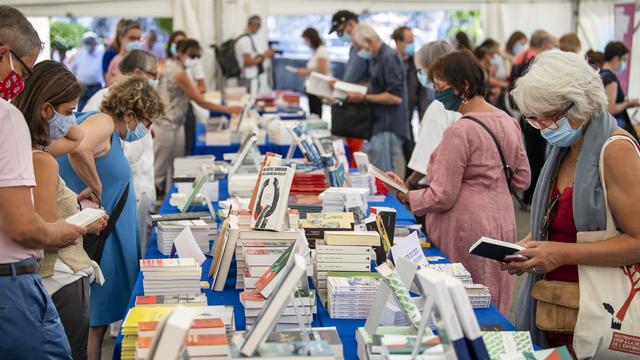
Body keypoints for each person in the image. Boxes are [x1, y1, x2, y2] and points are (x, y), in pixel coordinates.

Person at [508, 50, 640, 356]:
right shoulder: (563, 150)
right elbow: (555, 225)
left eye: (550, 116)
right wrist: (524, 250)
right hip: (555, 310)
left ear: (581, 103)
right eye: (534, 119)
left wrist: (562, 254)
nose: (542, 126)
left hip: (597, 314)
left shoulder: (616, 151)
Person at [386, 50, 531, 314]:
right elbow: (522, 178)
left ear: (462, 86)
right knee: (494, 295)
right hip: (502, 219)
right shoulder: (509, 122)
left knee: (463, 300)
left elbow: (442, 195)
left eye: (440, 86)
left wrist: (408, 195)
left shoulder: (460, 131)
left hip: (465, 226)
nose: (437, 93)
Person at [56, 75, 164, 360]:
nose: (146, 130)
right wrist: (96, 185)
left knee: (97, 322)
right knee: (92, 321)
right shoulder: (103, 121)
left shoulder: (112, 134)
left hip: (106, 237)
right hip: (100, 239)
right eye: (146, 122)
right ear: (130, 113)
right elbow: (78, 148)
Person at [0, 6, 87, 359]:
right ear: (4, 54)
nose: (20, 81)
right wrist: (62, 232)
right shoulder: (7, 119)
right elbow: (24, 227)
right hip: (11, 284)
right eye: (23, 70)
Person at [13, 60, 109, 360]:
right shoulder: (42, 160)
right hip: (60, 278)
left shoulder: (24, 148)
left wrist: (75, 208)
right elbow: (44, 231)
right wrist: (82, 223)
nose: (72, 123)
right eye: (68, 113)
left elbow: (76, 138)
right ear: (46, 110)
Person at [83, 49, 159, 254]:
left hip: (133, 193)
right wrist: (95, 185)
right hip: (113, 199)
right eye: (154, 75)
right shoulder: (103, 113)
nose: (156, 80)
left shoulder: (134, 113)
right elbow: (83, 149)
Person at [154, 39, 241, 194]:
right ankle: (151, 204)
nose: (194, 59)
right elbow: (201, 101)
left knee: (176, 166)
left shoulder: (171, 66)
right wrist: (229, 110)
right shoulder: (178, 73)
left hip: (175, 121)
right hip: (166, 124)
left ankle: (171, 195)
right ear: (180, 53)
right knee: (159, 169)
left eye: (197, 56)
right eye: (191, 55)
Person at [347, 24, 409, 176]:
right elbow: (377, 85)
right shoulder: (377, 58)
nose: (359, 51)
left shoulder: (389, 58)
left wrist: (364, 97)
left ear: (368, 41)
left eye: (358, 46)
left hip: (389, 127)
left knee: (385, 177)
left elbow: (395, 97)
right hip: (379, 124)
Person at [510, 29, 558, 206]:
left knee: (532, 154)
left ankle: (530, 195)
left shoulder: (522, 57)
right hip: (535, 114)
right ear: (545, 44)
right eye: (552, 45)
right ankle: (531, 195)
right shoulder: (534, 62)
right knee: (535, 156)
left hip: (529, 113)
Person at [405, 40, 458, 188]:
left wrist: (408, 185)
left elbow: (426, 159)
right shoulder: (465, 99)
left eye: (421, 70)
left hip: (438, 187)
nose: (420, 75)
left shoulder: (440, 107)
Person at [329, 10, 371, 166]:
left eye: (341, 31)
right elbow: (354, 77)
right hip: (348, 110)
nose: (341, 35)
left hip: (359, 112)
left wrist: (349, 88)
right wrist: (339, 86)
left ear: (351, 24)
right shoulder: (354, 48)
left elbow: (373, 82)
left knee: (356, 159)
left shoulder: (366, 47)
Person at [392, 26, 427, 177]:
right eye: (409, 41)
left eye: (413, 41)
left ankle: (408, 191)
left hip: (407, 119)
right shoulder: (389, 62)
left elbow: (422, 93)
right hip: (390, 119)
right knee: (391, 160)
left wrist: (423, 120)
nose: (412, 44)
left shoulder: (416, 64)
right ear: (398, 42)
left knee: (411, 156)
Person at [600, 41, 639, 140]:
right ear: (616, 58)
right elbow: (611, 109)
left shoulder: (601, 74)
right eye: (624, 60)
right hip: (616, 128)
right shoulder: (610, 79)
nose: (624, 64)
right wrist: (627, 103)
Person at [233, 15, 275, 96]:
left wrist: (264, 55)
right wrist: (264, 56)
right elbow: (249, 62)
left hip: (248, 77)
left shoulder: (246, 39)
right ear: (251, 25)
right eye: (258, 26)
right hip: (248, 77)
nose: (259, 28)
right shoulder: (245, 40)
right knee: (249, 101)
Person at [295, 27, 331, 117]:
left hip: (317, 89)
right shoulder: (317, 51)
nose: (305, 42)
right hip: (313, 88)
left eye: (306, 39)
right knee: (313, 114)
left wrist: (305, 72)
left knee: (316, 115)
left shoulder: (321, 51)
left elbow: (323, 72)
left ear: (311, 38)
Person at [71, 32, 104, 111]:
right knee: (80, 110)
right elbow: (73, 69)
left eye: (91, 42)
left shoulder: (101, 53)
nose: (89, 45)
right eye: (87, 42)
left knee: (97, 109)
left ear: (95, 43)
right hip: (82, 86)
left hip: (96, 86)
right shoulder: (80, 53)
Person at [105, 19, 142, 86]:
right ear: (121, 38)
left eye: (138, 38)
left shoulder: (139, 61)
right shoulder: (116, 62)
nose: (136, 42)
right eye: (132, 38)